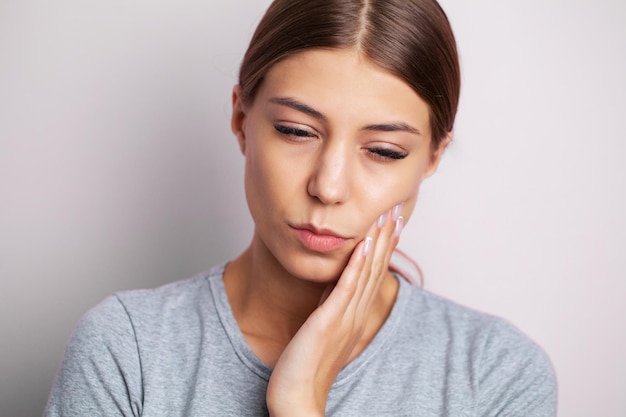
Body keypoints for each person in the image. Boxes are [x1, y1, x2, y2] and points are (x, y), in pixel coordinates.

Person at [45, 0, 557, 415]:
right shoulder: (126, 352)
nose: (329, 187)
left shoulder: (496, 375)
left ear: (431, 158)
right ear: (241, 118)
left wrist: (299, 402)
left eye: (383, 151)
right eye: (295, 132)